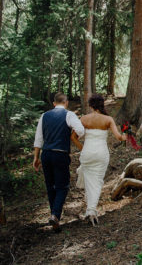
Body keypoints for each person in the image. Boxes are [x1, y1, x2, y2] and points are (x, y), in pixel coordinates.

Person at [33, 93, 85, 232]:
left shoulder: (44, 116)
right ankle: (55, 215)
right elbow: (80, 130)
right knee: (62, 186)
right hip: (60, 154)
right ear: (66, 103)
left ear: (54, 103)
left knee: (51, 187)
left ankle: (54, 216)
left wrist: (36, 158)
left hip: (46, 154)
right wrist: (71, 135)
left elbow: (38, 139)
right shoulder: (69, 115)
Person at [75, 93, 127, 226]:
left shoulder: (84, 119)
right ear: (102, 104)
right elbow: (119, 137)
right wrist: (126, 136)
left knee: (89, 181)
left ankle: (90, 209)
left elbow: (73, 137)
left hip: (87, 153)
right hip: (101, 153)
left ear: (91, 105)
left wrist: (83, 148)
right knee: (97, 181)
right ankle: (91, 210)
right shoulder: (108, 119)